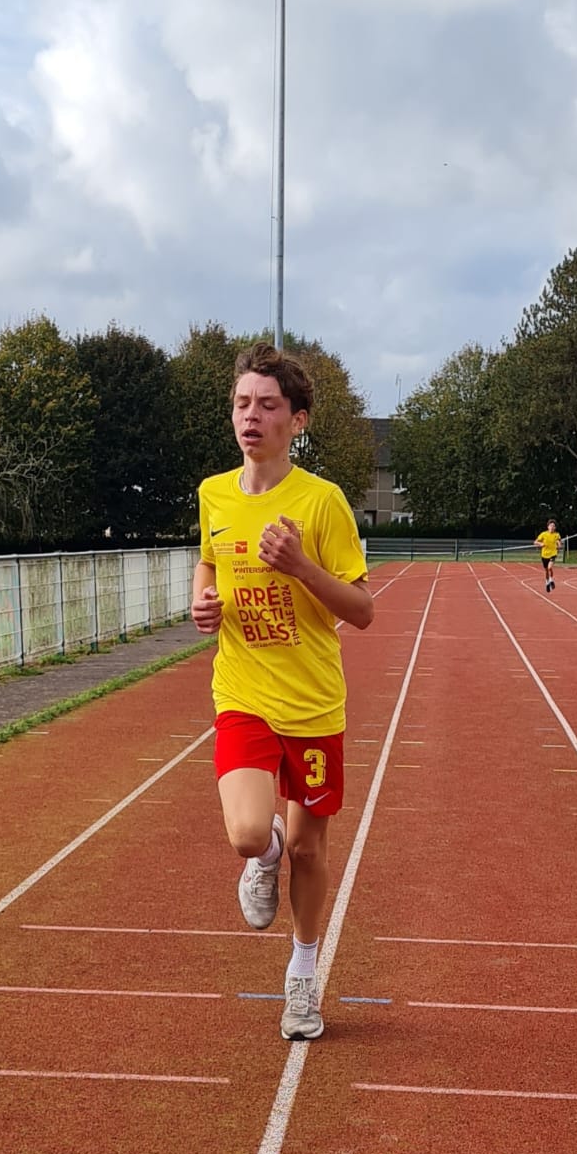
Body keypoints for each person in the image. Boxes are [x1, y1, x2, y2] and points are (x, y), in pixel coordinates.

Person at [190, 341, 374, 1041]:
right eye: (242, 403)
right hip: (242, 691)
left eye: (267, 405)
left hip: (313, 703)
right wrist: (203, 603)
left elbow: (361, 610)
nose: (251, 416)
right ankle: (261, 859)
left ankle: (302, 974)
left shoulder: (322, 503)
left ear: (297, 421)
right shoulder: (213, 493)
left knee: (308, 850)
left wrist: (300, 566)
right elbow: (208, 564)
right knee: (249, 835)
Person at [535, 518, 561, 591]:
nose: (552, 527)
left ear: (555, 528)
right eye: (551, 525)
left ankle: (551, 580)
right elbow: (535, 542)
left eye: (553, 526)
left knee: (550, 568)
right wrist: (540, 544)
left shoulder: (557, 535)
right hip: (544, 555)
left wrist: (559, 546)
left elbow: (558, 542)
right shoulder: (543, 534)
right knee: (546, 570)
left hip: (553, 554)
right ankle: (547, 582)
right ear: (548, 527)